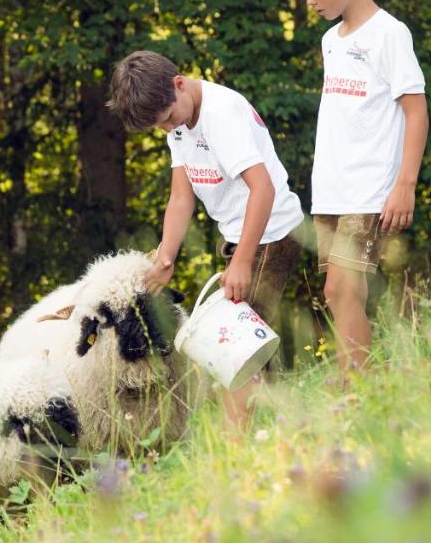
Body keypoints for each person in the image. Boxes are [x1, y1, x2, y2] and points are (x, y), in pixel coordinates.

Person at [108, 50, 305, 426]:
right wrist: (165, 257)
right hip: (239, 236)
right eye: (159, 127)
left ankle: (234, 445)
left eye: (167, 119)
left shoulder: (221, 115)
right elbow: (181, 198)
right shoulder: (177, 124)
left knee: (233, 345)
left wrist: (243, 260)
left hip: (271, 233)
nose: (167, 129)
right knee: (247, 337)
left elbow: (262, 190)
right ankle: (277, 425)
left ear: (178, 84)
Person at [289, 0, 429, 372]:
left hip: (368, 189)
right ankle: (359, 381)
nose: (309, 1)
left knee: (343, 290)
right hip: (331, 189)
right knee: (336, 291)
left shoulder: (390, 34)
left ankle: (358, 390)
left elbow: (415, 111)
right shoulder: (331, 40)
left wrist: (404, 184)